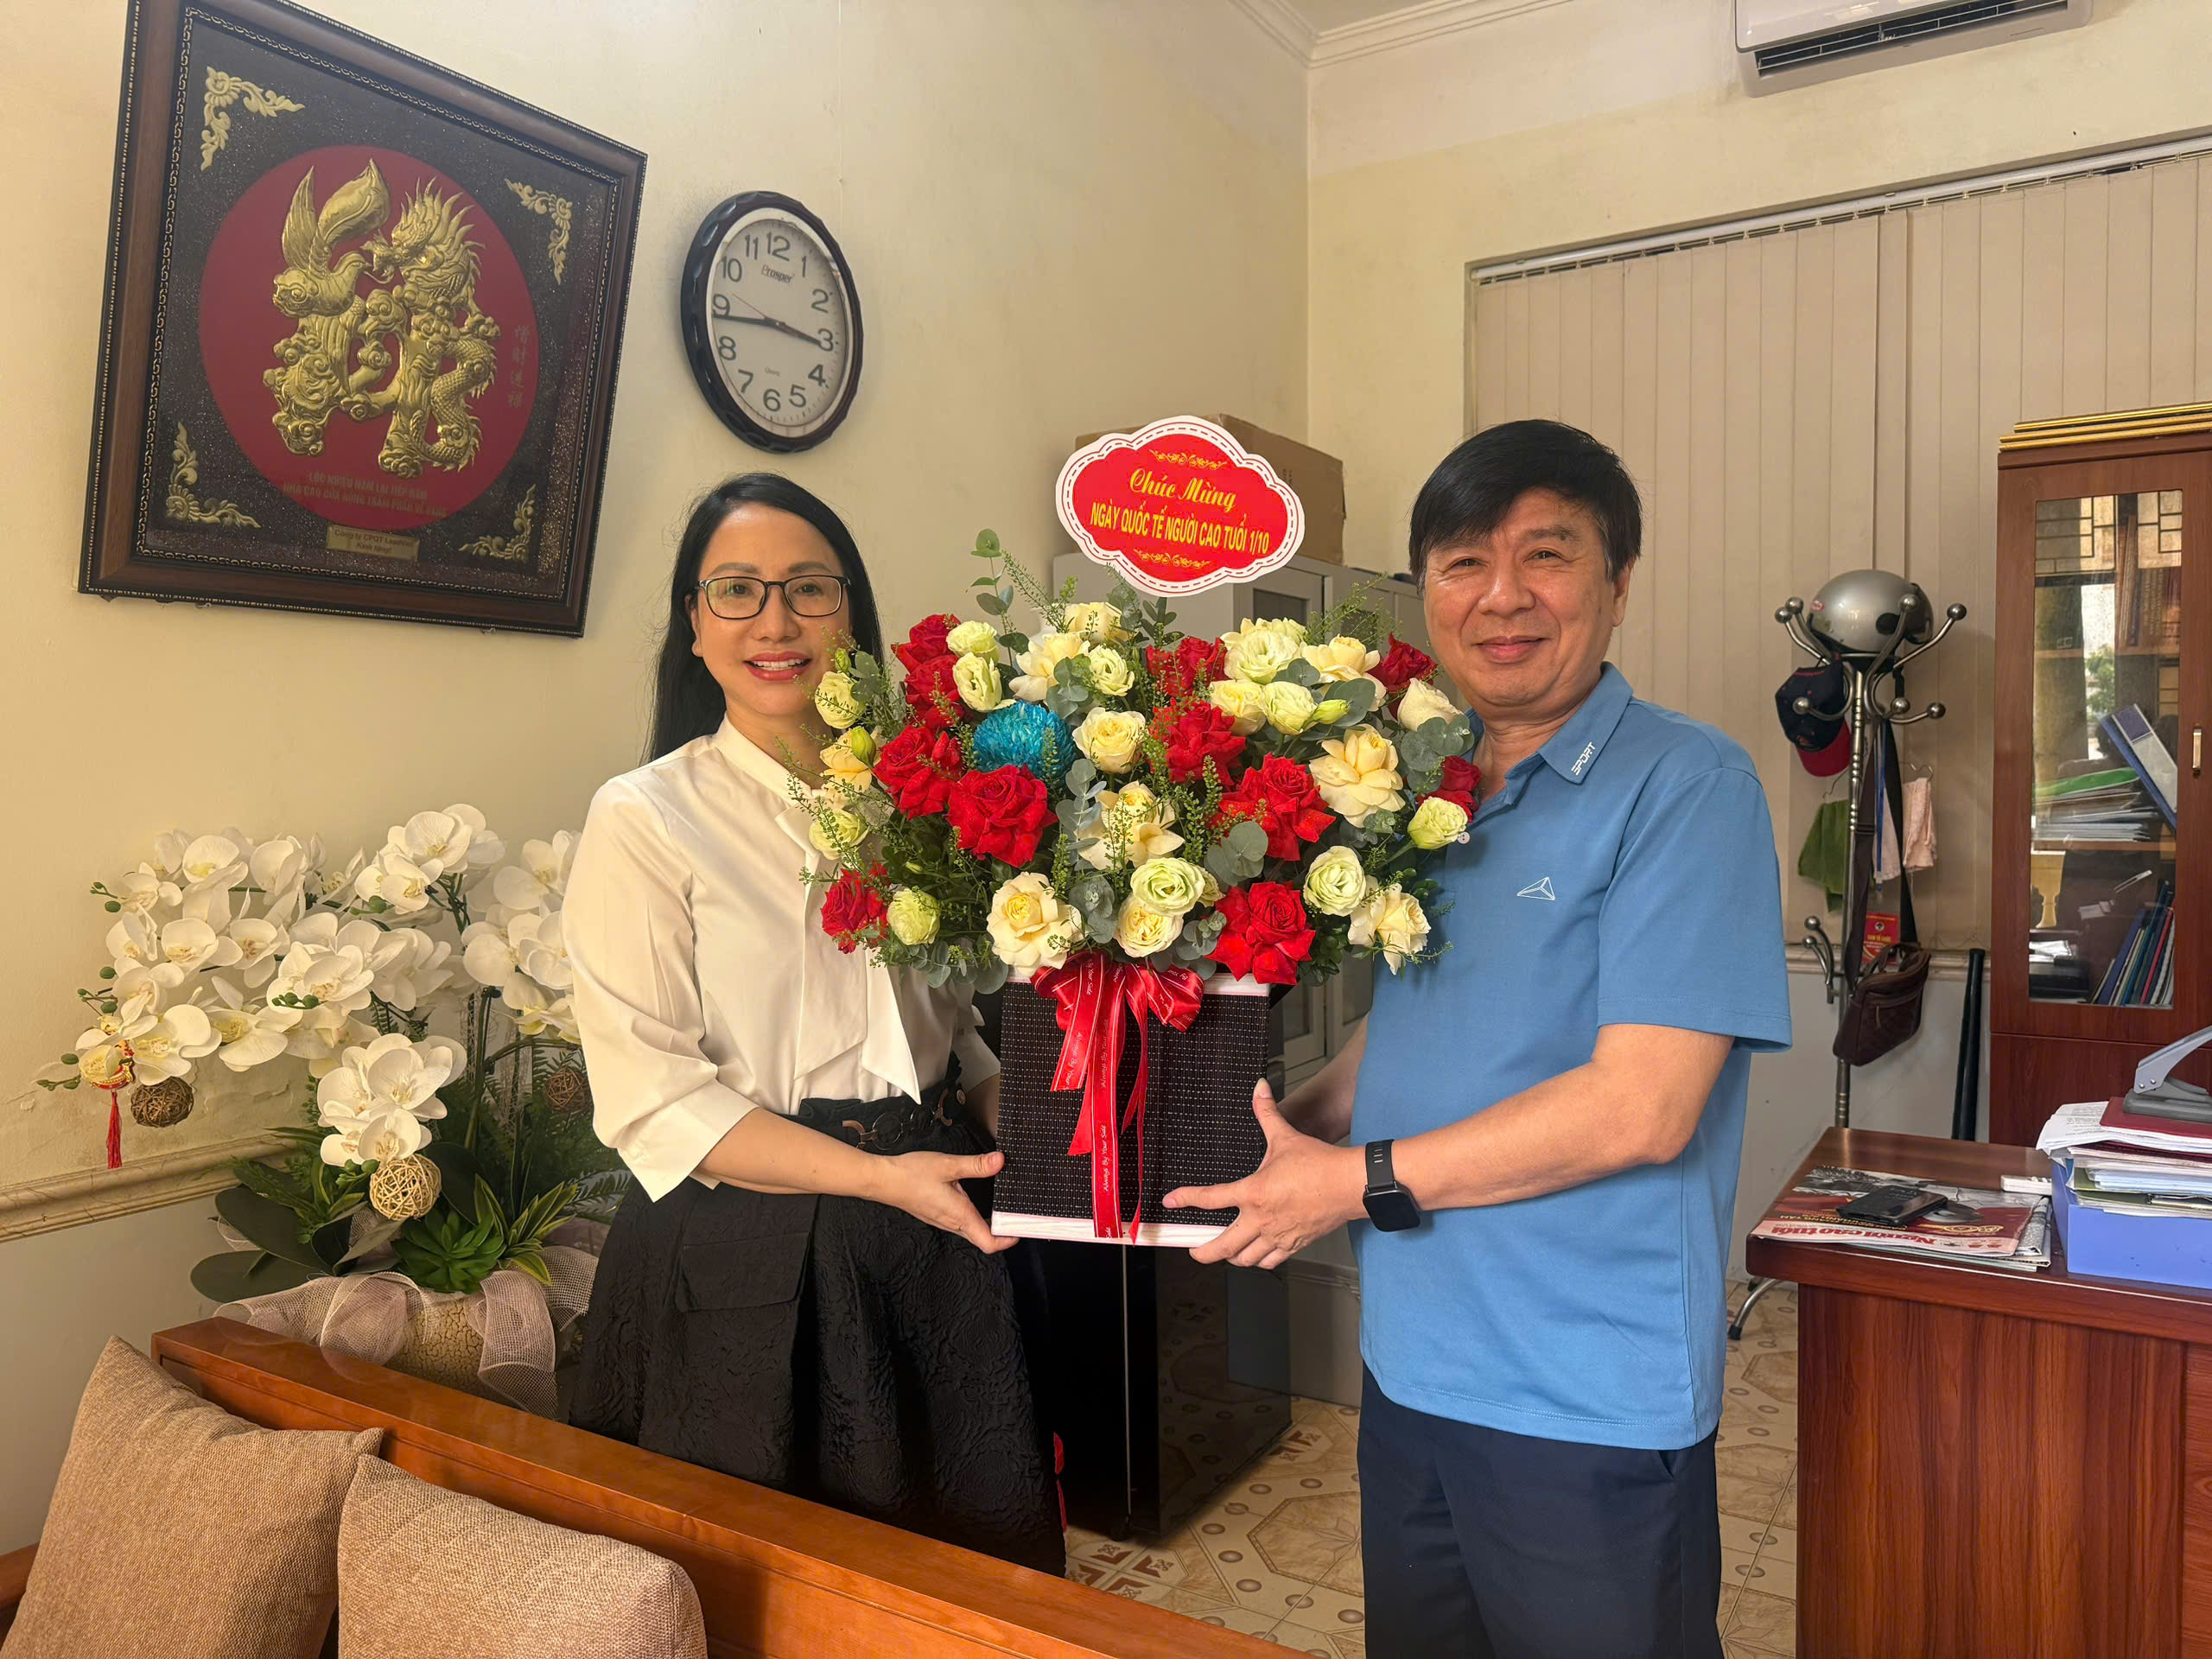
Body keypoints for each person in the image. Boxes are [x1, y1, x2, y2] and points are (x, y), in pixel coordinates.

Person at [1166, 420, 1791, 1656]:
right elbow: (1424, 1027)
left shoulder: (1686, 787)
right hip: (1412, 1369)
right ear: (1429, 594)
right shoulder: (1422, 796)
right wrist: (1287, 1126)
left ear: (1617, 584)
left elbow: (1642, 1107)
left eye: (1545, 555)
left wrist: (1349, 1183)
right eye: (1463, 562)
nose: (1502, 596)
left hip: (1584, 1398)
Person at [565, 474, 1063, 1573]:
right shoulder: (646, 817)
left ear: (850, 616)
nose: (775, 621)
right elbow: (654, 1100)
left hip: (941, 1223)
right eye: (736, 590)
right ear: (694, 624)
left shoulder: (913, 796)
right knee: (771, 1589)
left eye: (808, 589)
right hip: (747, 1251)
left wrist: (1022, 1112)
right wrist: (880, 1178)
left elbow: (943, 1026)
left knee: (967, 1570)